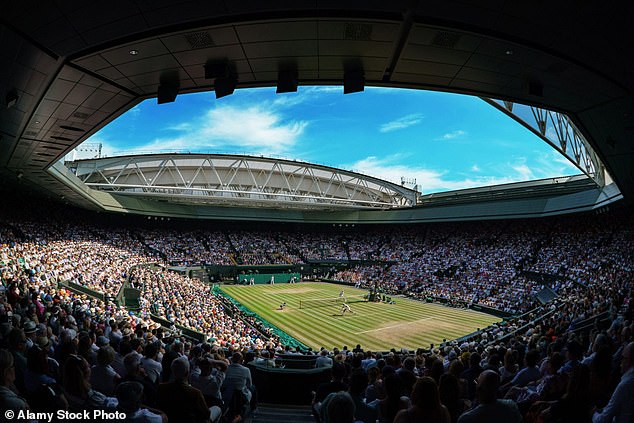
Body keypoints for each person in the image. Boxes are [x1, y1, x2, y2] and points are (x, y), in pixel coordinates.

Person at [157, 356, 220, 423]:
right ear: (187, 373)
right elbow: (206, 414)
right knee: (217, 409)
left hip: (169, 419)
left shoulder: (161, 387)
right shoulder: (195, 393)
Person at [592, 341, 634, 423]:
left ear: (629, 361)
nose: (621, 362)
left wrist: (593, 414)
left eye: (623, 358)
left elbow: (603, 420)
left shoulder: (625, 384)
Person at [457, 370, 521, 423]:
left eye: (477, 382)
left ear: (478, 389)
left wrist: (467, 410)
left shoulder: (466, 418)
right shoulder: (512, 406)